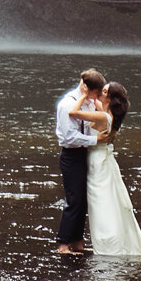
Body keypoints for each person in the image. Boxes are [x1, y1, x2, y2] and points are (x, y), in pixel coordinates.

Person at [68, 81, 141, 256]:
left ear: (110, 98)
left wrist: (82, 95)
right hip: (104, 157)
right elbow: (97, 103)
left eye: (104, 92)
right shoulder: (107, 113)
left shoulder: (104, 116)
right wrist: (91, 93)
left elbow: (73, 113)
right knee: (109, 199)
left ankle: (107, 243)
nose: (100, 93)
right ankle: (110, 241)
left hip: (98, 160)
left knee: (101, 201)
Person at [55, 69, 111, 254]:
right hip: (71, 155)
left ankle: (77, 241)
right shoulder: (67, 104)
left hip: (84, 154)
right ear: (87, 89)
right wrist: (96, 141)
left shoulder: (86, 103)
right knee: (74, 200)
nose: (97, 96)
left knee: (83, 200)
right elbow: (70, 137)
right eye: (96, 92)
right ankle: (63, 244)